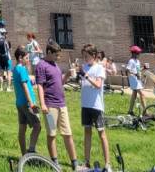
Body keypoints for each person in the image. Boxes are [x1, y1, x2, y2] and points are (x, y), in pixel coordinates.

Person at [35, 41, 78, 170]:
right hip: (50, 106)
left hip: (61, 104)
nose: (58, 58)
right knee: (52, 134)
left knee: (68, 133)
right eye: (56, 55)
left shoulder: (55, 65)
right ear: (49, 52)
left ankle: (75, 163)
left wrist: (68, 75)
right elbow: (40, 86)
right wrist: (43, 104)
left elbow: (60, 82)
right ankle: (55, 163)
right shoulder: (41, 65)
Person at [80, 44, 111, 172]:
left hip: (96, 106)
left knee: (101, 134)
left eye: (86, 56)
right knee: (87, 133)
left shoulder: (99, 68)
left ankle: (107, 164)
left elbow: (98, 85)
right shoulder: (84, 67)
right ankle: (87, 162)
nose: (84, 58)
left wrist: (86, 76)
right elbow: (82, 83)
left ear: (93, 55)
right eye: (83, 56)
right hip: (85, 105)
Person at [12, 46, 41, 154]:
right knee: (37, 125)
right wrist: (31, 103)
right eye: (27, 58)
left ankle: (24, 153)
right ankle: (31, 150)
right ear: (20, 58)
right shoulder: (22, 69)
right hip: (26, 103)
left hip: (19, 103)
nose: (28, 60)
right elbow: (24, 87)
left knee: (22, 128)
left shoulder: (15, 69)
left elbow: (22, 84)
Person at [126, 45, 148, 115]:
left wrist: (143, 68)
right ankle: (145, 112)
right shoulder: (131, 61)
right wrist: (135, 74)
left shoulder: (137, 61)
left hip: (137, 79)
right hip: (133, 79)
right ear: (134, 53)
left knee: (134, 95)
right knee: (142, 94)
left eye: (139, 53)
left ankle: (130, 111)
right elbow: (128, 70)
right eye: (138, 53)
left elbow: (138, 70)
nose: (139, 54)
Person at [0, 25, 11, 91]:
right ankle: (8, 88)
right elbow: (8, 49)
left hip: (1, 57)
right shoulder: (6, 41)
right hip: (7, 57)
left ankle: (1, 87)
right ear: (4, 34)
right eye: (5, 33)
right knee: (8, 73)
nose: (6, 34)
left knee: (1, 74)